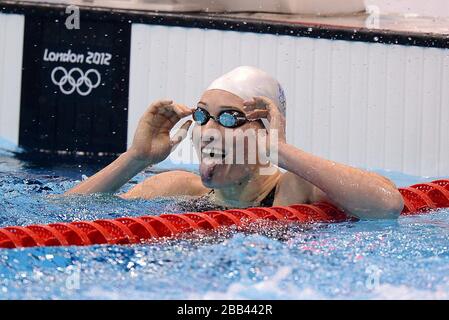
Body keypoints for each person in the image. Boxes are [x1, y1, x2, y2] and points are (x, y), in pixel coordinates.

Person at [66, 66, 404, 219]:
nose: (209, 130)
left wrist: (281, 151)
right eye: (201, 116)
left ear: (264, 130)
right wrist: (136, 159)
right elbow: (62, 215)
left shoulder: (294, 190)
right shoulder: (178, 187)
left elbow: (387, 205)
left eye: (229, 118)